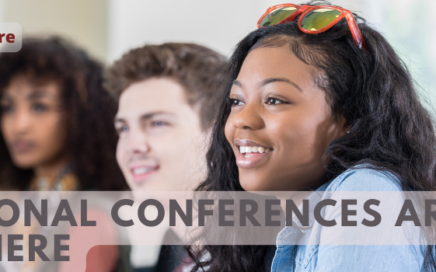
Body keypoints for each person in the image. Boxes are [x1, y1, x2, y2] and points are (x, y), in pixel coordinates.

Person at [186, 1, 436, 271]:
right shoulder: (265, 230)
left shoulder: (365, 192)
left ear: (350, 118)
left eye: (274, 99)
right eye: (236, 101)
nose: (242, 119)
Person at [0, 37, 130, 272]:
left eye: (39, 106)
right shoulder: (22, 202)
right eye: (7, 107)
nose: (19, 125)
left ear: (79, 114)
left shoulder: (90, 214)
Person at [106, 43, 227, 272]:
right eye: (123, 128)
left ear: (217, 131)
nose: (132, 146)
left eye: (157, 123)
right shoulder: (179, 255)